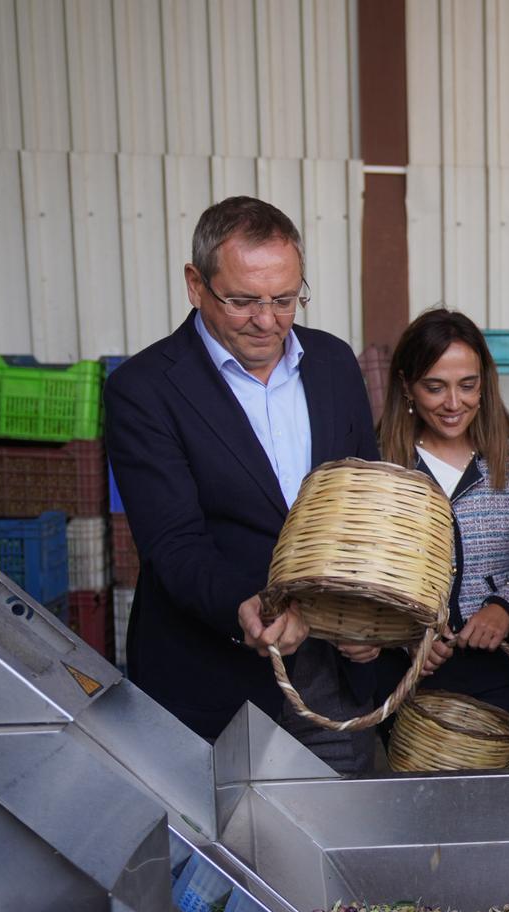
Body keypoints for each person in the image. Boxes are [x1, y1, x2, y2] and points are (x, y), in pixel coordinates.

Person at [106, 196, 381, 772]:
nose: (268, 320)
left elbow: (363, 502)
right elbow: (173, 544)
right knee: (220, 854)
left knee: (334, 837)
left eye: (285, 299)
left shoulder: (331, 362)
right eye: (242, 300)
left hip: (330, 674)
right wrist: (247, 607)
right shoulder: (145, 388)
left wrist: (368, 618)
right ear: (194, 284)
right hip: (212, 679)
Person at [376, 307, 509, 766]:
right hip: (411, 672)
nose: (453, 403)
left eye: (467, 385)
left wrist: (505, 609)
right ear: (406, 386)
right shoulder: (381, 470)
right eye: (435, 387)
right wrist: (405, 637)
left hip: (507, 670)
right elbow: (368, 575)